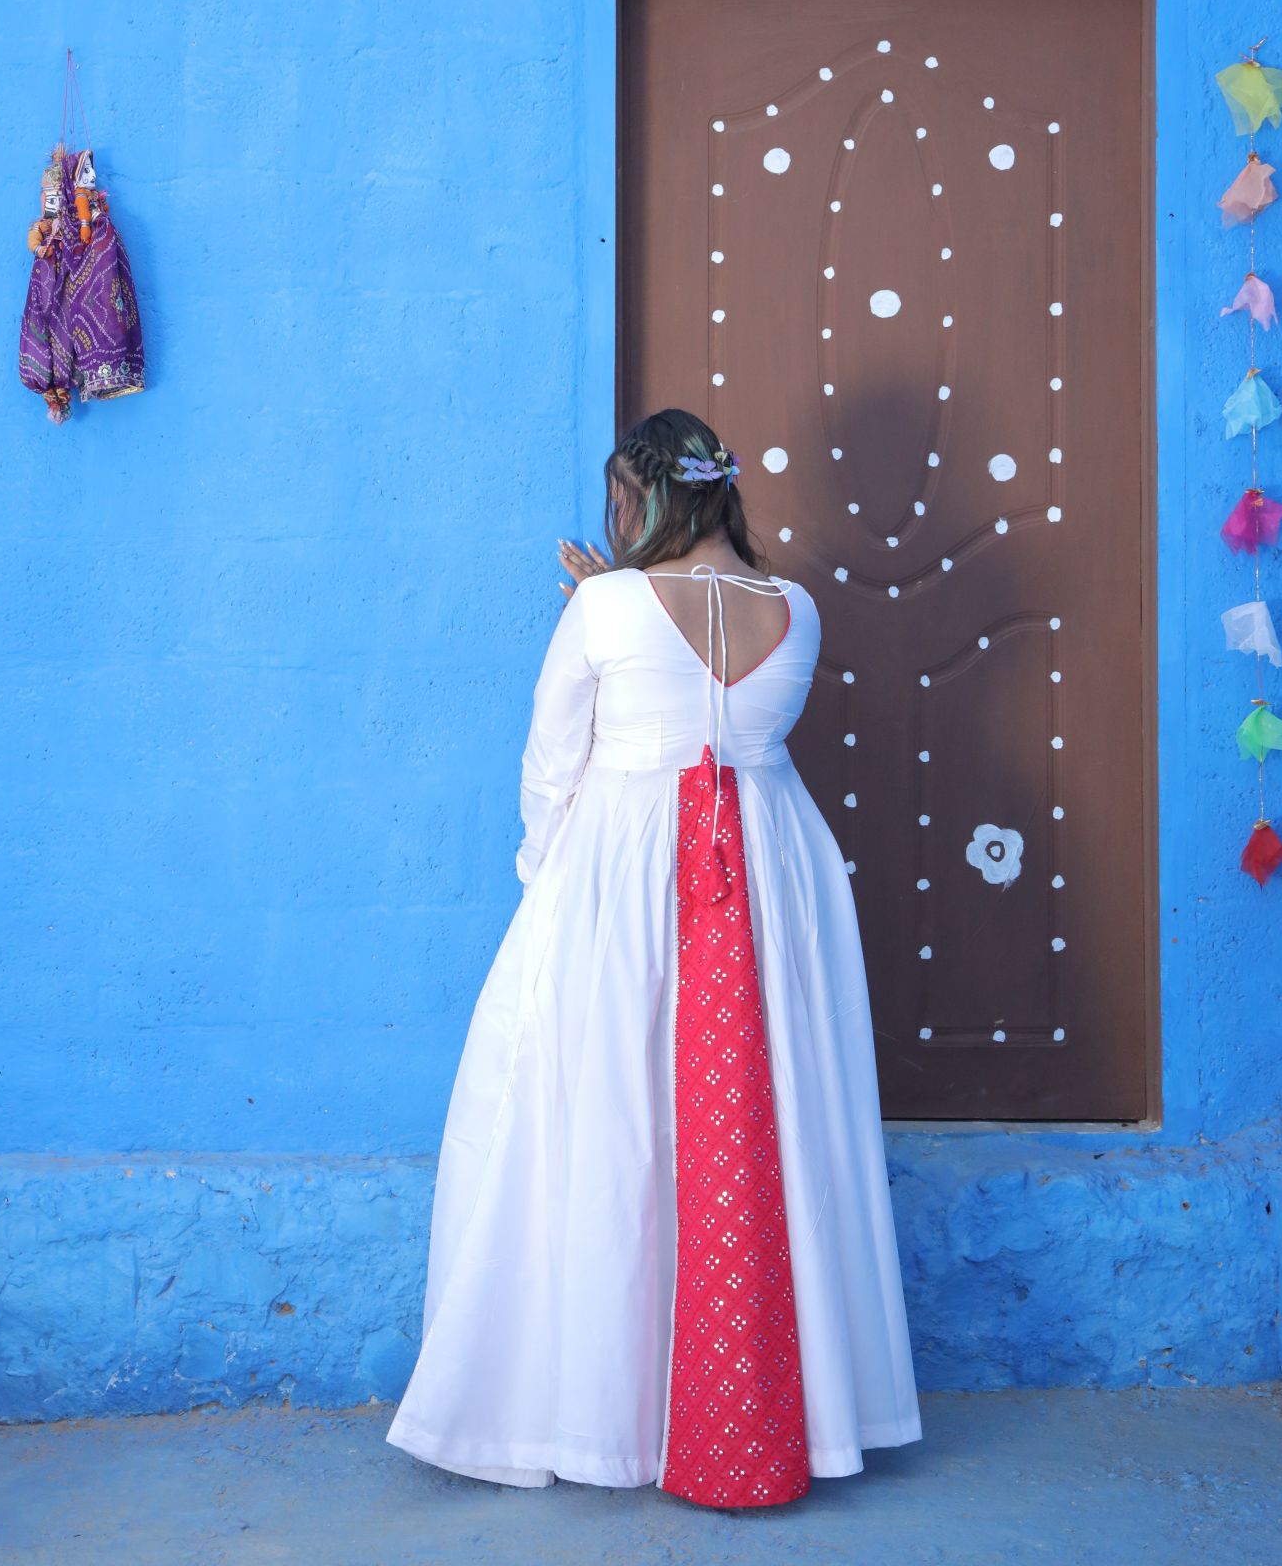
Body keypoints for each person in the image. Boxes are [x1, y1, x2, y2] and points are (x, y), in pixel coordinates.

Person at [386, 408, 922, 1507]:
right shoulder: (798, 607)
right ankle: (795, 1399)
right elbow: (724, 708)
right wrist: (610, 605)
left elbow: (550, 764)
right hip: (771, 871)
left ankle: (603, 1410)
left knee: (604, 1122)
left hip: (625, 875)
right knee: (760, 1120)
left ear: (639, 496)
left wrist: (550, 876)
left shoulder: (607, 604)